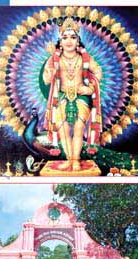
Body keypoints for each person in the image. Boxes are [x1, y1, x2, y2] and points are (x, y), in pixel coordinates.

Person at [43, 17, 102, 171]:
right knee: (62, 130)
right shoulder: (54, 59)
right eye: (65, 37)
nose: (69, 41)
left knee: (78, 129)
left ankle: (76, 160)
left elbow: (98, 71)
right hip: (61, 96)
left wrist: (89, 89)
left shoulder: (85, 58)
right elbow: (47, 79)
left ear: (78, 41)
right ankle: (69, 160)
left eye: (73, 37)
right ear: (60, 42)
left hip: (81, 97)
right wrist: (50, 69)